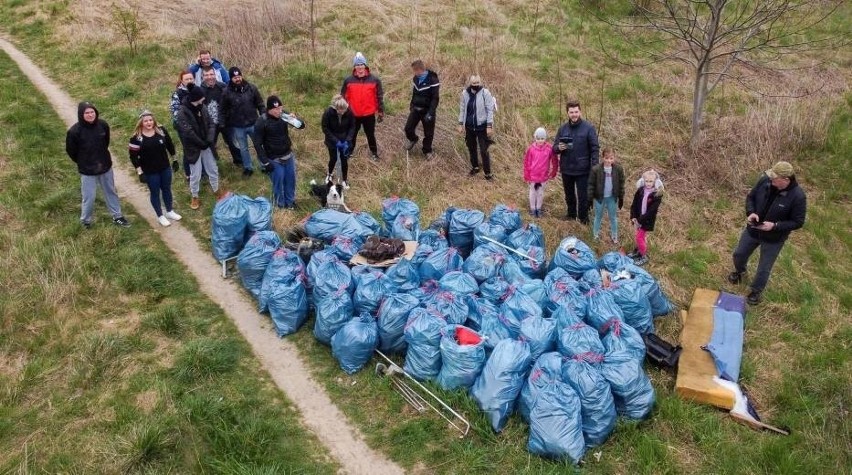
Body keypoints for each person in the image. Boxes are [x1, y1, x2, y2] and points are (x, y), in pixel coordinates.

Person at [728, 161, 807, 305]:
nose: (771, 180)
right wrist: (751, 213)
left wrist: (775, 226)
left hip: (773, 238)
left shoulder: (798, 196)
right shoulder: (765, 180)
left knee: (764, 267)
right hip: (753, 229)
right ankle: (740, 271)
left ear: (786, 180)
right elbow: (751, 197)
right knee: (739, 254)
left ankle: (756, 291)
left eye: (774, 178)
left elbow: (798, 222)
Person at [66, 101, 130, 228]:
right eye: (87, 113)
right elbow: (71, 151)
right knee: (89, 197)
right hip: (87, 170)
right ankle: (86, 221)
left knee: (111, 191)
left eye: (92, 112)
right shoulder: (74, 132)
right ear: (81, 114)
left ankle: (117, 216)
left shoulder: (103, 125)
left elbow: (106, 142)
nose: (90, 115)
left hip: (105, 166)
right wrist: (83, 162)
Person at [128, 110, 182, 227]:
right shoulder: (136, 138)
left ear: (154, 120)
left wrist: (175, 159)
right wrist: (139, 172)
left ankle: (169, 211)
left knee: (167, 188)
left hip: (164, 167)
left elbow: (170, 145)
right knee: (155, 192)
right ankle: (160, 216)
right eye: (146, 121)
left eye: (150, 120)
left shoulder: (161, 131)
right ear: (141, 123)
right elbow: (133, 157)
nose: (149, 123)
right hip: (150, 171)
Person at [253, 95, 304, 209]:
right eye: (276, 109)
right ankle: (280, 205)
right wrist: (265, 162)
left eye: (280, 108)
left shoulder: (284, 116)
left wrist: (296, 119)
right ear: (269, 109)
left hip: (288, 154)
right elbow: (257, 144)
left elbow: (301, 126)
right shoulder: (262, 122)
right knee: (278, 183)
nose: (279, 111)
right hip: (274, 158)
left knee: (290, 180)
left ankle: (290, 203)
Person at [553, 100, 599, 224]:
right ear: (567, 113)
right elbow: (554, 147)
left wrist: (594, 167)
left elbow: (595, 148)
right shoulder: (562, 128)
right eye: (571, 112)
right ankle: (571, 214)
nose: (574, 114)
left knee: (583, 196)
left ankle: (583, 218)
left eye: (576, 112)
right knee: (569, 195)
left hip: (583, 169)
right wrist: (559, 148)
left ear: (580, 112)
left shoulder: (588, 128)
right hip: (566, 168)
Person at [175, 85, 221, 210]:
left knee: (213, 168)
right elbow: (188, 132)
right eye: (201, 97)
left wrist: (209, 139)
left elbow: (211, 123)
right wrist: (201, 143)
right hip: (193, 147)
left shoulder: (203, 107)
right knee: (195, 174)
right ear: (196, 98)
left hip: (207, 144)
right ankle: (195, 196)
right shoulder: (182, 112)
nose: (204, 99)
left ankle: (216, 190)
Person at [221, 66, 265, 176]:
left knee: (259, 145)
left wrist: (263, 117)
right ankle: (248, 168)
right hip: (237, 126)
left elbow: (260, 104)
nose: (238, 79)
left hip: (254, 123)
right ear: (231, 78)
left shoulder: (251, 88)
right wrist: (222, 122)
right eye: (235, 77)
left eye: (239, 76)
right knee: (243, 148)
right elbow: (222, 109)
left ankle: (264, 165)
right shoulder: (226, 92)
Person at [341, 52, 384, 161]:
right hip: (353, 114)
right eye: (357, 65)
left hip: (368, 114)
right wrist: (342, 111)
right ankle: (349, 153)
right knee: (352, 135)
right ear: (354, 66)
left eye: (361, 64)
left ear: (365, 66)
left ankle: (374, 153)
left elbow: (379, 97)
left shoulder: (374, 80)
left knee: (370, 135)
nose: (359, 67)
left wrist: (380, 111)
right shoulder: (348, 80)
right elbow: (343, 97)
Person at [458, 75, 496, 180]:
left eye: (477, 83)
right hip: (469, 127)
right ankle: (475, 167)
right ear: (470, 83)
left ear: (480, 82)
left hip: (482, 127)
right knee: (471, 148)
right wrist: (461, 124)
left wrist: (489, 125)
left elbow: (490, 110)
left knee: (484, 150)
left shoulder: (485, 93)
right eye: (473, 83)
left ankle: (488, 173)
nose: (475, 85)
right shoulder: (465, 94)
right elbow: (462, 109)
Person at [200, 68, 241, 163]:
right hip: (210, 124)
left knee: (233, 142)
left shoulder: (222, 86)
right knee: (210, 144)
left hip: (226, 121)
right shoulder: (200, 90)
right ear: (203, 77)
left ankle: (239, 161)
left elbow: (231, 101)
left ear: (215, 75)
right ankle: (214, 162)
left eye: (211, 74)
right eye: (206, 75)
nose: (209, 77)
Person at [404, 59, 440, 159]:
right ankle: (413, 139)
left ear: (420, 69)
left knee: (428, 133)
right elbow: (414, 92)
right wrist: (412, 105)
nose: (414, 73)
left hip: (427, 110)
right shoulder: (416, 78)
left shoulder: (433, 79)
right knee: (408, 128)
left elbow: (435, 98)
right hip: (416, 108)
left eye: (414, 71)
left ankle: (427, 151)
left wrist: (431, 113)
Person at [588, 148, 625, 244]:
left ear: (614, 158)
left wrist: (621, 197)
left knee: (613, 217)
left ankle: (614, 236)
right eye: (606, 158)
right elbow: (591, 184)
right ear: (602, 158)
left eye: (611, 158)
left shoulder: (618, 169)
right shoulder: (595, 169)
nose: (609, 160)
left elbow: (621, 184)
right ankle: (595, 235)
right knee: (598, 216)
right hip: (599, 198)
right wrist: (590, 198)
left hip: (612, 198)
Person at [628, 169, 663, 266]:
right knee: (641, 237)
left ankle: (644, 256)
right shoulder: (640, 191)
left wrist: (640, 220)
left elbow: (652, 211)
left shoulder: (657, 195)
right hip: (638, 218)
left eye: (651, 181)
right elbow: (634, 204)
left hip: (646, 220)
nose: (648, 183)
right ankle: (638, 251)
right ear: (643, 181)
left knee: (639, 237)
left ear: (655, 182)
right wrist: (633, 216)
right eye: (646, 181)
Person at [522, 127, 559, 218]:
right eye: (538, 138)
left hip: (543, 176)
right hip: (533, 176)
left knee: (540, 192)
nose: (540, 141)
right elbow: (527, 162)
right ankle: (532, 209)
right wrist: (527, 174)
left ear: (545, 138)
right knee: (533, 191)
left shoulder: (549, 148)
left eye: (542, 138)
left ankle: (538, 208)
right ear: (535, 138)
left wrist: (554, 171)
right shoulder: (531, 149)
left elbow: (554, 160)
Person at [321, 94, 356, 188]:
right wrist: (336, 141)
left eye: (345, 110)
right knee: (333, 158)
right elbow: (325, 128)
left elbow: (352, 126)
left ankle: (344, 179)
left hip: (345, 139)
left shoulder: (349, 112)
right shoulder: (328, 112)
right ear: (336, 108)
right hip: (332, 139)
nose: (343, 112)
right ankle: (329, 174)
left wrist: (348, 140)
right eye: (341, 110)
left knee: (344, 160)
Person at [169, 70, 195, 181]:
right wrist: (184, 126)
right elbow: (175, 112)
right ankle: (188, 174)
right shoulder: (177, 94)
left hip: (196, 125)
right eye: (187, 79)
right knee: (187, 149)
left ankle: (200, 171)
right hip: (183, 126)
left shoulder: (196, 90)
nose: (189, 80)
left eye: (191, 78)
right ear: (182, 81)